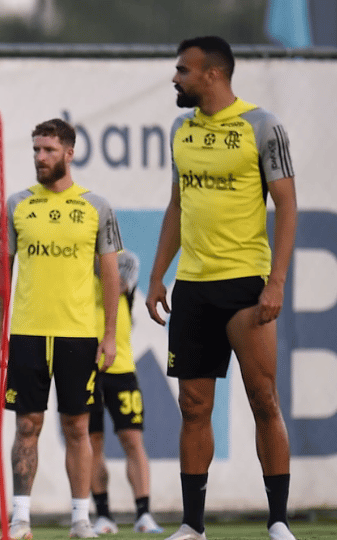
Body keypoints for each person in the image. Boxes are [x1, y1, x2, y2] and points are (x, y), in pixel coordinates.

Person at [145, 36, 297, 540]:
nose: (175, 78)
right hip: (192, 286)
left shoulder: (262, 126)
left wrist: (275, 282)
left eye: (183, 71)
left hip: (245, 286)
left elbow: (288, 207)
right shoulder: (180, 129)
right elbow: (176, 206)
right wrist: (156, 275)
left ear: (212, 74)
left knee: (263, 399)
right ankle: (193, 526)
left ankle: (277, 521)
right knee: (193, 406)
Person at [0, 118, 123, 539]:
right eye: (35, 150)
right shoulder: (16, 204)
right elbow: (1, 274)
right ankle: (20, 519)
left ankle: (81, 518)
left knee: (78, 427)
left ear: (69, 152)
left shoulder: (97, 207)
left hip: (78, 335)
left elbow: (110, 278)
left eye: (47, 150)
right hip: (28, 333)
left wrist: (110, 335)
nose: (39, 158)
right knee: (27, 425)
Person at [88, 249, 163, 535]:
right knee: (92, 444)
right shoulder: (78, 261)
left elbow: (121, 279)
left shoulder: (120, 258)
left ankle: (144, 513)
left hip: (121, 367)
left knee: (133, 440)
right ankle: (103, 515)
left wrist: (95, 258)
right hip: (87, 369)